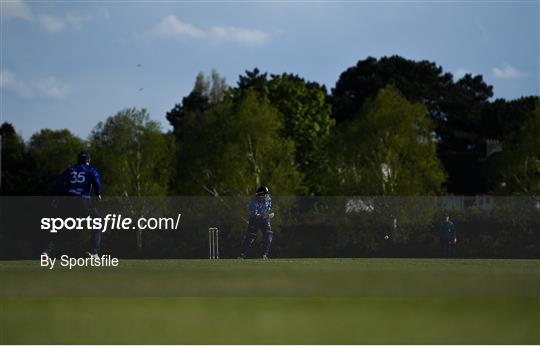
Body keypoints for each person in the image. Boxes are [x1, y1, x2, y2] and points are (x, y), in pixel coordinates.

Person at [43, 151, 102, 258]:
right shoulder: (90, 170)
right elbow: (96, 181)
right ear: (89, 160)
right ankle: (94, 252)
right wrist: (98, 194)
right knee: (97, 222)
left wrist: (56, 197)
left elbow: (59, 182)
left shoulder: (70, 169)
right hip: (83, 201)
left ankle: (47, 252)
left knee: (61, 227)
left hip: (69, 201)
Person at [238, 186, 274, 260]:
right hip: (255, 220)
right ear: (259, 195)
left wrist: (267, 215)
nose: (264, 196)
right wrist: (267, 215)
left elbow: (268, 207)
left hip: (265, 219)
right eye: (263, 195)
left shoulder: (269, 199)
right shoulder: (254, 202)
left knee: (268, 235)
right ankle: (242, 255)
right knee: (250, 237)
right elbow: (255, 215)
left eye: (265, 195)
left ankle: (264, 255)